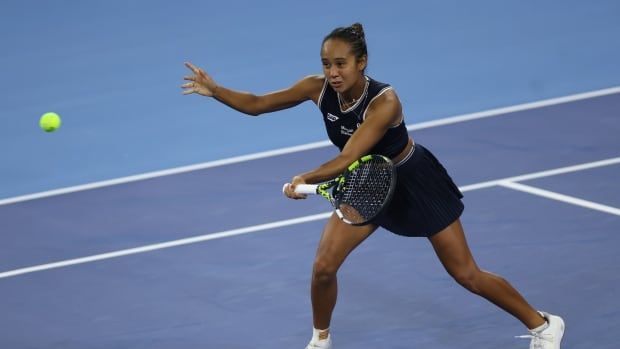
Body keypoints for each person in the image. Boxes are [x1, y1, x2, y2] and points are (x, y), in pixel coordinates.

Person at [182, 23, 564, 349]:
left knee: (465, 273)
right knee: (323, 268)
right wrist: (216, 91)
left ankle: (544, 325)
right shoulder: (317, 89)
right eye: (326, 64)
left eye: (341, 64)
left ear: (361, 63)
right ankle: (321, 340)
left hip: (412, 181)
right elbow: (259, 103)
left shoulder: (385, 102)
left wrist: (304, 178)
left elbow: (347, 157)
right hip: (367, 183)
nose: (332, 72)